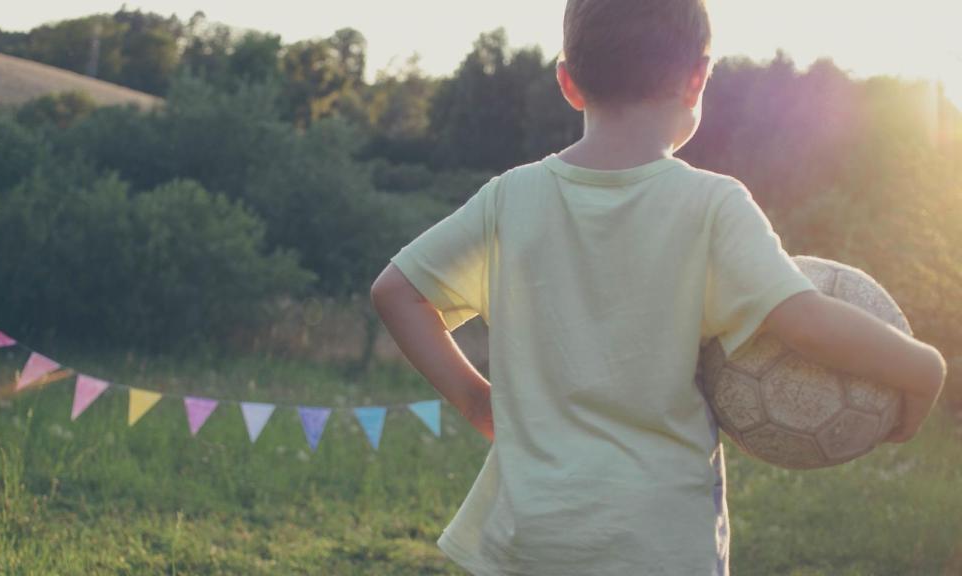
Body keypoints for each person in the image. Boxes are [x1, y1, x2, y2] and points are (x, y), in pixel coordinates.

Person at [369, 0, 947, 573]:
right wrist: (923, 371)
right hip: (658, 544)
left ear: (568, 81)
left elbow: (397, 291)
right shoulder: (712, 204)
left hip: (533, 540)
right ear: (697, 77)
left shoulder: (510, 198)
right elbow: (804, 320)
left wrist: (474, 398)